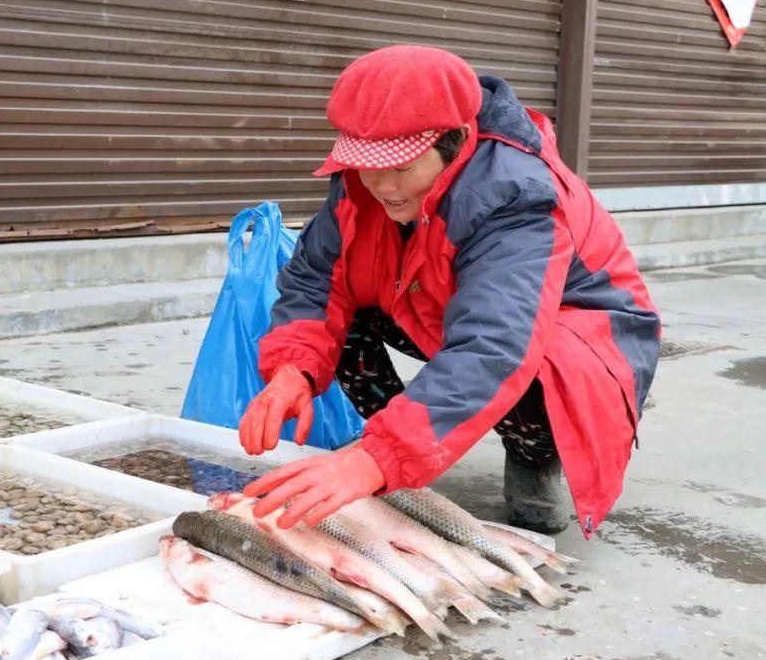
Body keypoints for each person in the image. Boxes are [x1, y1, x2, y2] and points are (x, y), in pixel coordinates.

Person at [238, 45, 660, 538]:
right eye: (367, 165)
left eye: (401, 167)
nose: (383, 185)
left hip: (576, 335)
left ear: (456, 143)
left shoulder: (516, 195)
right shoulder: (361, 184)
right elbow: (314, 279)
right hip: (442, 303)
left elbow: (496, 344)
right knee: (345, 324)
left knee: (533, 361)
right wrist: (294, 369)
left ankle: (531, 457)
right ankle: (395, 456)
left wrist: (380, 457)